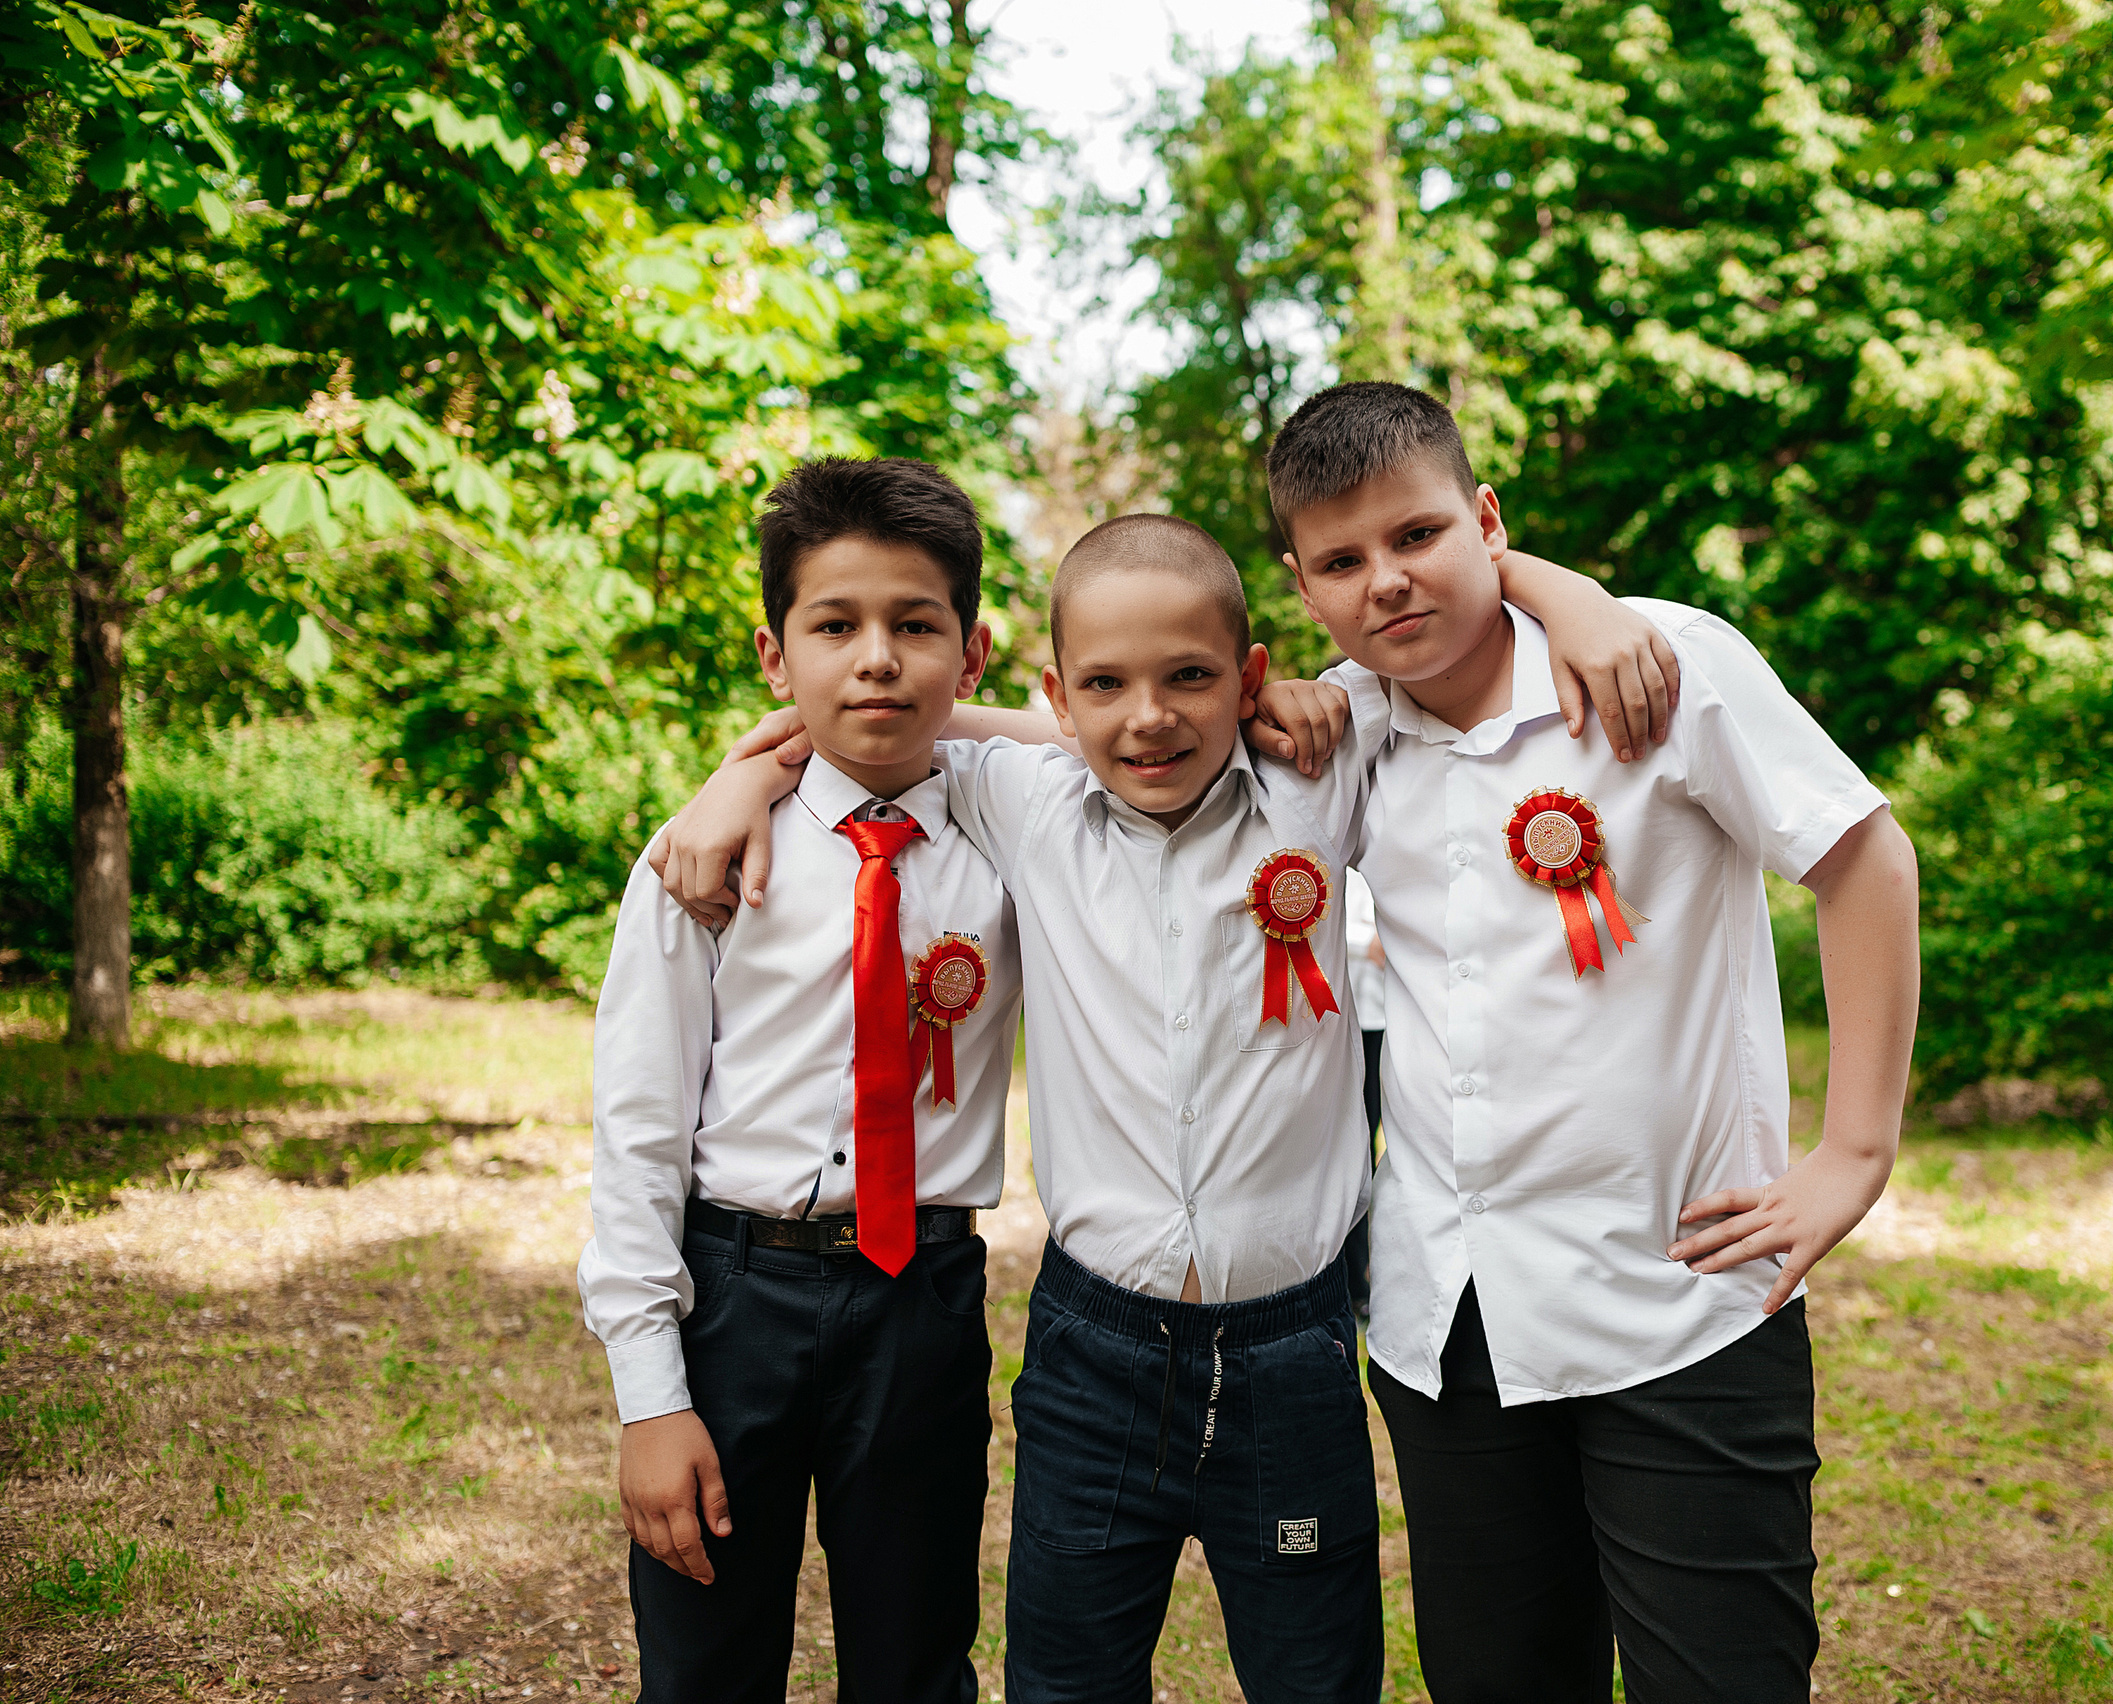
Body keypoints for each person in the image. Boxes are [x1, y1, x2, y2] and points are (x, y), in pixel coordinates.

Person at [650, 515, 1677, 1704]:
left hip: (1292, 1351)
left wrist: (1567, 593)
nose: (1149, 718)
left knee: (1314, 1678)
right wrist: (744, 774)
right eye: (1103, 686)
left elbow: (1437, 632)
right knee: (1066, 1681)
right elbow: (880, 724)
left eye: (1190, 677)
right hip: (1093, 1355)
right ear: (1055, 696)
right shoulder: (1023, 803)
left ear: (1249, 680)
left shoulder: (1321, 769)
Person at [1266, 381, 1921, 1704]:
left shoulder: (1658, 663)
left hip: (1681, 1301)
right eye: (1342, 561)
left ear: (1486, 520)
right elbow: (1116, 741)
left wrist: (1853, 1153)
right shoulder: (1344, 727)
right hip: (1449, 1327)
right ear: (1302, 585)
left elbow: (1863, 860)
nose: (1385, 580)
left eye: (1417, 535)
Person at [577, 457, 1023, 1704]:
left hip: (921, 1298)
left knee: (914, 1662)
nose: (876, 659)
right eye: (834, 627)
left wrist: (769, 754)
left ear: (973, 653)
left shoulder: (1016, 839)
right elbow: (638, 1129)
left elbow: (1123, 735)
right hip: (735, 1299)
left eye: (916, 626)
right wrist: (649, 1400)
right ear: (775, 656)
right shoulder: (700, 860)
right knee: (705, 1666)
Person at [1341, 868, 1386, 1322]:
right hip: (1349, 1024)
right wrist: (1367, 943)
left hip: (1391, 1023)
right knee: (1355, 1149)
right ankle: (1355, 1279)